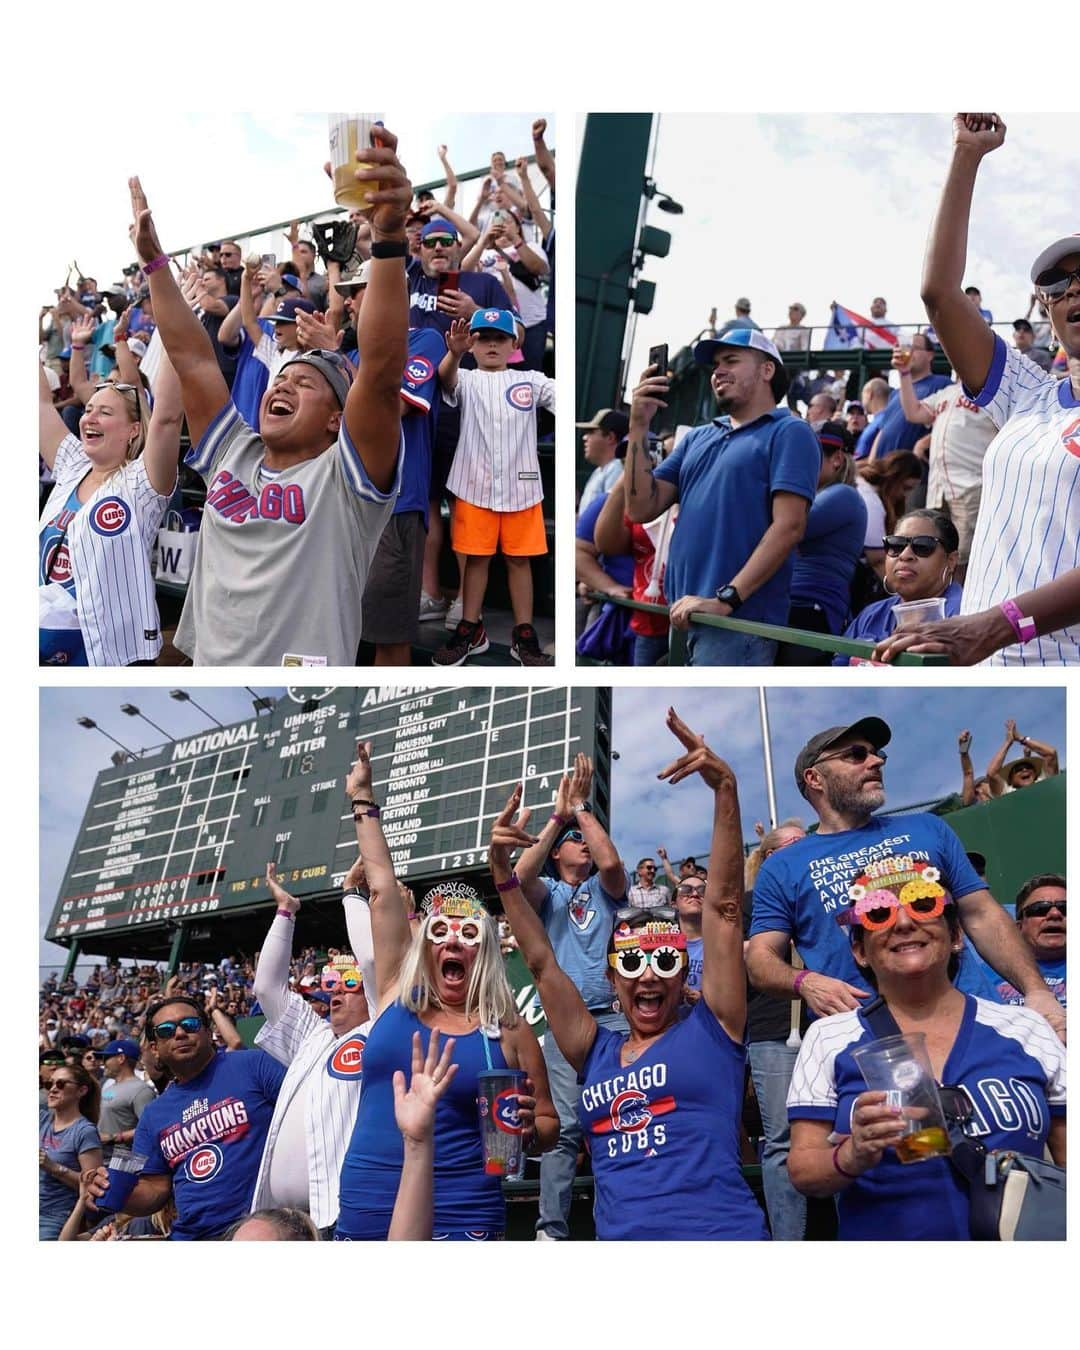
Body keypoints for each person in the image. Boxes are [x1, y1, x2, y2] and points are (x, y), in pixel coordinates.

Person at [126, 128, 412, 666]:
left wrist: (390, 242)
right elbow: (191, 358)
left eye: (305, 383)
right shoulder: (236, 451)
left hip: (301, 689)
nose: (283, 384)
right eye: (283, 379)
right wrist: (154, 264)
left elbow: (379, 371)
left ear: (337, 421)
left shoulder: (347, 481)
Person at [493, 710, 770, 1240]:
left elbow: (726, 909)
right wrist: (500, 871)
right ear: (612, 977)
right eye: (633, 963)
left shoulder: (715, 1028)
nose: (649, 975)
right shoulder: (592, 1052)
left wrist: (726, 791)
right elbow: (540, 961)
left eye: (665, 961)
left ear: (684, 969)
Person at [873, 114, 1080, 666]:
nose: (1075, 289)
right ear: (1047, 310)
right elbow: (939, 293)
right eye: (1059, 284)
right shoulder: (1030, 393)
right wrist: (966, 154)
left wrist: (998, 624)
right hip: (989, 659)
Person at [334, 749, 556, 1241]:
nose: (454, 940)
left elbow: (548, 1124)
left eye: (469, 933)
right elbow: (384, 888)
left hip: (465, 1214)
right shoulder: (396, 990)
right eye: (441, 931)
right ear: (426, 944)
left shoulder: (510, 1028)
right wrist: (363, 798)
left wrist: (528, 1129)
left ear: (488, 952)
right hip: (369, 1204)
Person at [746, 716, 1067, 1041]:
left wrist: (1036, 990)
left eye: (877, 754)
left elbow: (980, 914)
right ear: (815, 778)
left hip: (973, 1026)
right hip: (870, 1044)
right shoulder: (783, 865)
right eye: (856, 754)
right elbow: (760, 958)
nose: (875, 762)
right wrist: (806, 982)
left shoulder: (928, 829)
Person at [786, 871, 1066, 1240]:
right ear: (859, 951)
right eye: (878, 912)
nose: (903, 922)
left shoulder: (1025, 1029)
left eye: (923, 904)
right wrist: (852, 1154)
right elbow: (803, 1169)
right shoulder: (830, 1036)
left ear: (955, 935)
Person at [624, 330, 819, 666]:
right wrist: (639, 426)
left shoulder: (790, 431)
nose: (718, 371)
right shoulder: (697, 436)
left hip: (738, 621)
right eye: (716, 364)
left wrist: (727, 599)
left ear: (766, 370)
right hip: (684, 615)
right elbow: (641, 507)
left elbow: (790, 526)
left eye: (731, 360)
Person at [508, 752, 629, 1239]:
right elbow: (515, 877)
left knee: (618, 1121)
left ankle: (615, 1224)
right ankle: (550, 1232)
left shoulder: (605, 888)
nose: (583, 842)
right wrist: (558, 816)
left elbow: (613, 860)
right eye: (573, 841)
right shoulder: (551, 894)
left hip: (614, 1021)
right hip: (562, 1027)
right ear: (558, 852)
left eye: (584, 837)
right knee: (563, 1134)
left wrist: (581, 807)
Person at [249, 829, 379, 1237]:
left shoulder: (381, 1026)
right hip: (283, 1217)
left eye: (350, 982)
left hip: (340, 1214)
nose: (337, 988)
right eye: (332, 982)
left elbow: (374, 961)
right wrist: (285, 912)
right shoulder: (313, 1035)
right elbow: (266, 988)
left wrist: (351, 895)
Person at [82, 994, 286, 1240]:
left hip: (260, 1231)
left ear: (207, 1031)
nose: (179, 1033)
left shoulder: (254, 1064)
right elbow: (155, 1188)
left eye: (189, 1025)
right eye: (166, 1030)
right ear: (155, 1048)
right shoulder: (154, 1114)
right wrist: (111, 1190)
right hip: (190, 1236)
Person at [38, 345, 181, 665]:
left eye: (105, 412)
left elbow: (169, 419)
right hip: (45, 641)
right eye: (88, 409)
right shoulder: (73, 465)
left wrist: (175, 329)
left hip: (110, 653)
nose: (90, 417)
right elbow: (39, 404)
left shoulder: (141, 484)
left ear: (133, 430)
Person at [432, 310, 555, 667]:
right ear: (472, 343)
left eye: (499, 338)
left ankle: (524, 635)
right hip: (474, 485)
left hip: (522, 489)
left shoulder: (531, 379)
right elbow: (445, 379)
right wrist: (453, 353)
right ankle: (471, 629)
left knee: (520, 560)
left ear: (514, 343)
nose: (490, 344)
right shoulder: (467, 377)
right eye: (483, 337)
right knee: (476, 559)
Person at [891, 346, 1000, 575]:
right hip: (938, 488)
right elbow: (913, 413)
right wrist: (904, 374)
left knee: (964, 559)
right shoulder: (946, 392)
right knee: (934, 553)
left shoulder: (994, 392)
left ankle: (964, 607)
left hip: (972, 486)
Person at [782, 421, 867, 663]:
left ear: (837, 459)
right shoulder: (813, 496)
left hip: (810, 611)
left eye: (809, 454)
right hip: (791, 606)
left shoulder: (844, 495)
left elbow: (784, 526)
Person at [833, 509, 963, 664]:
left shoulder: (965, 614)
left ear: (951, 560)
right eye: (896, 544)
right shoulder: (872, 614)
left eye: (923, 546)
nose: (905, 555)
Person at [40, 1065, 103, 1240]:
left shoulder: (84, 1131)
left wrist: (53, 1167)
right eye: (49, 1084)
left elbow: (93, 1187)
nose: (52, 1089)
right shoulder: (41, 1118)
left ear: (81, 1090)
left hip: (54, 1217)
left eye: (60, 1084)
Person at [984, 875, 1066, 1009]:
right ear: (1019, 926)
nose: (1055, 914)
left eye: (1065, 908)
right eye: (1040, 909)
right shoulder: (985, 975)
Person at [95, 1038, 156, 1159]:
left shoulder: (141, 1090)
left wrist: (114, 1137)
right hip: (103, 1156)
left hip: (125, 1158)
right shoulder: (108, 1087)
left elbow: (150, 1128)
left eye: (106, 1058)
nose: (102, 1063)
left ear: (121, 1058)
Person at [985, 719, 1059, 796]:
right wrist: (1008, 742)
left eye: (1029, 767)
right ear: (1011, 779)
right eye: (1018, 769)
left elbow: (1051, 753)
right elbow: (991, 774)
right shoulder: (1007, 792)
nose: (1024, 769)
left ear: (1035, 773)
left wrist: (1021, 738)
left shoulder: (1044, 780)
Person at [576, 408, 628, 512]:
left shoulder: (617, 469)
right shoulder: (601, 469)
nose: (585, 437)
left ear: (610, 437)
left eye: (591, 432)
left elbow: (611, 517)